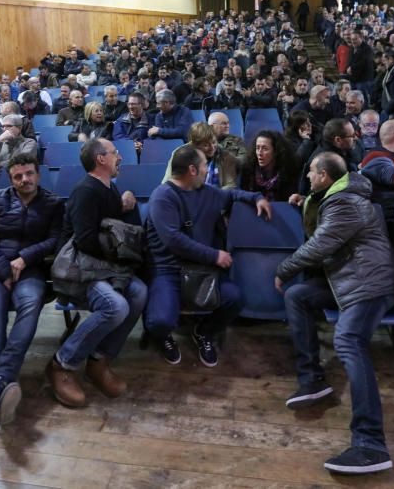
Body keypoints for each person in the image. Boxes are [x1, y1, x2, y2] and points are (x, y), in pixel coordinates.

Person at [275, 152, 394, 475]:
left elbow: (320, 244)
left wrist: (284, 269)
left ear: (325, 177)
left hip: (370, 285)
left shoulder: (344, 202)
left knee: (347, 341)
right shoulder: (338, 196)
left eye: (313, 173)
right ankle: (312, 380)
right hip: (349, 280)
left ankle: (370, 443)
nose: (308, 177)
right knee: (298, 297)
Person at [45, 139, 148, 408]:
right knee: (116, 306)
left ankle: (99, 359)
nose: (119, 157)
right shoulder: (85, 191)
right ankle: (61, 363)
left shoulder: (109, 188)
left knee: (139, 294)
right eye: (115, 153)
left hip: (100, 267)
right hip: (77, 270)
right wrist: (119, 262)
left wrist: (125, 206)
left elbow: (112, 228)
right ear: (101, 159)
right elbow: (86, 240)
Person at [146, 145, 271, 366]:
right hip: (170, 270)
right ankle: (163, 336)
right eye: (205, 165)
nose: (207, 170)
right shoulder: (162, 196)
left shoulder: (207, 192)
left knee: (235, 298)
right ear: (192, 170)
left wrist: (257, 198)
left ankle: (204, 331)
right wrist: (214, 255)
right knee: (159, 321)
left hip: (202, 270)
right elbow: (174, 240)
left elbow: (231, 194)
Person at [0, 152, 64, 424]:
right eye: (18, 176)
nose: (25, 180)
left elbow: (56, 239)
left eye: (29, 174)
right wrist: (4, 270)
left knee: (30, 306)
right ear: (11, 179)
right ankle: (2, 380)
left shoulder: (53, 203)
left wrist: (26, 257)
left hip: (32, 269)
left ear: (38, 174)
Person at [240, 130, 300, 201]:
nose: (259, 153)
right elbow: (244, 197)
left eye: (265, 149)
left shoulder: (287, 171)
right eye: (257, 148)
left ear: (276, 152)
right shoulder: (247, 169)